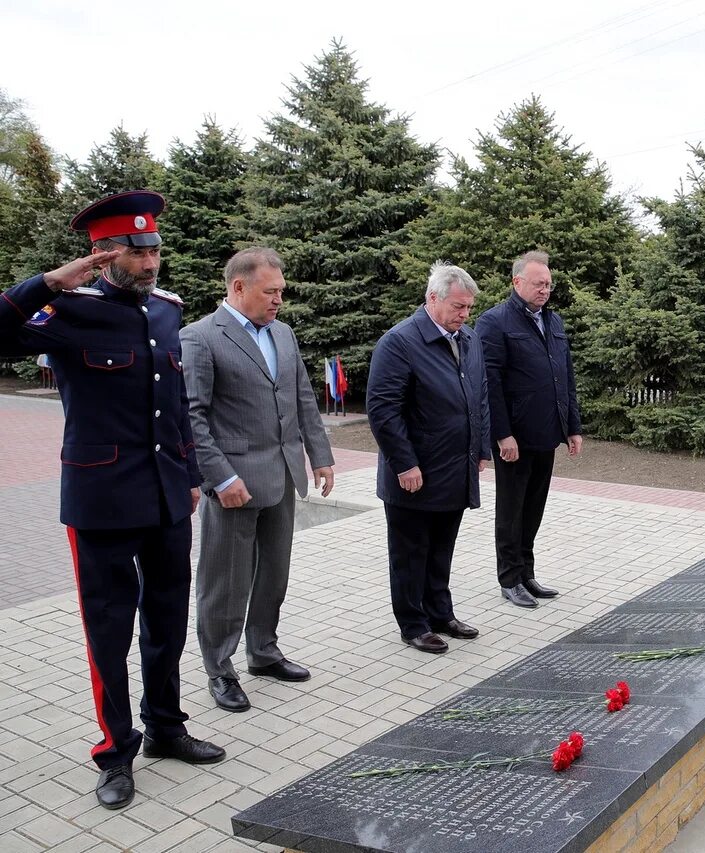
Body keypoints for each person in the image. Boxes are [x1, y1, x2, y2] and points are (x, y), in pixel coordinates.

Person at [0, 191, 224, 811]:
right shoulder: (67, 311)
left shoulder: (165, 314)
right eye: (134, 251)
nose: (150, 262)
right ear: (103, 255)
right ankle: (115, 751)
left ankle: (166, 728)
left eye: (154, 249)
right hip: (100, 499)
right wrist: (48, 281)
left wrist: (193, 475)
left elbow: (175, 405)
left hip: (165, 498)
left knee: (167, 619)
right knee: (108, 629)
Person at [181, 247, 336, 712]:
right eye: (271, 292)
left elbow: (302, 397)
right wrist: (220, 477)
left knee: (274, 573)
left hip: (282, 475)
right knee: (224, 583)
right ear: (238, 287)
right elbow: (193, 417)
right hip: (234, 486)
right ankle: (220, 668)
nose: (279, 300)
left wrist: (320, 455)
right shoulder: (201, 338)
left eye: (282, 292)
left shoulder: (282, 334)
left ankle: (263, 653)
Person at [366, 261, 491, 654]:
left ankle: (441, 612)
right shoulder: (400, 342)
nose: (464, 314)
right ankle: (413, 623)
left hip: (455, 466)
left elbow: (479, 399)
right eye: (458, 306)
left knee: (441, 547)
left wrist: (481, 449)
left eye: (469, 307)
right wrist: (404, 463)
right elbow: (383, 410)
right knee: (410, 551)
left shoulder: (468, 339)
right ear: (432, 298)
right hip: (414, 473)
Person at [475, 251, 583, 609]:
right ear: (517, 282)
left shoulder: (553, 322)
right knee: (511, 509)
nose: (545, 290)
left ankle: (527, 573)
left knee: (534, 507)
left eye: (549, 284)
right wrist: (502, 434)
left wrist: (573, 427)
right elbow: (490, 382)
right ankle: (509, 578)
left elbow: (565, 377)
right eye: (538, 283)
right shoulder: (495, 322)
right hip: (515, 438)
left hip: (547, 433)